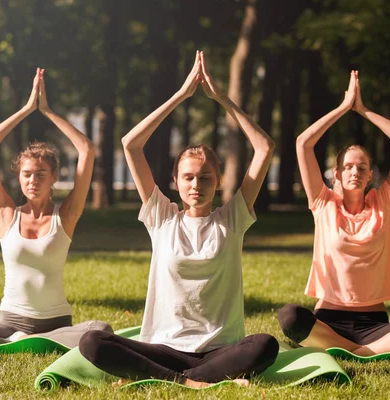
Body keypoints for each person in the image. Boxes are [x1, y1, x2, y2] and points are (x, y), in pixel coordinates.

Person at [78, 51, 279, 388]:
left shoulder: (232, 218)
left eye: (205, 178)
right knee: (92, 342)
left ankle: (169, 380)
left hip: (219, 349)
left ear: (218, 182)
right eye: (188, 177)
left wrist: (220, 98)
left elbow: (264, 147)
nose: (196, 185)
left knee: (265, 345)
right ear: (175, 181)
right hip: (164, 347)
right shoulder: (161, 218)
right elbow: (130, 144)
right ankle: (190, 381)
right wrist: (181, 95)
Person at [0, 68, 112, 351]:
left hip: (57, 323)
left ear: (54, 177)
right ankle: (25, 342)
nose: (33, 180)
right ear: (19, 176)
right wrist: (27, 109)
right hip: (8, 323)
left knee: (100, 330)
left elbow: (87, 149)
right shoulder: (6, 213)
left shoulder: (65, 216)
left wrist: (48, 111)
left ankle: (21, 344)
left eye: (41, 173)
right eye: (27, 174)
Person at [278, 71, 390, 356]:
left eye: (362, 167)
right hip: (327, 321)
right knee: (290, 316)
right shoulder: (322, 202)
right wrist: (343, 108)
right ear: (337, 174)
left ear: (370, 176)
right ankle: (366, 350)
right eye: (348, 166)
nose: (355, 171)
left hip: (374, 323)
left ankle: (358, 350)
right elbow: (303, 144)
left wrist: (364, 110)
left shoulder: (384, 202)